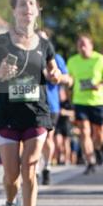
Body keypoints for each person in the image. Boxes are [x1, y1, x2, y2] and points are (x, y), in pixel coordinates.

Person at [0, 0, 63, 206]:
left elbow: (53, 70)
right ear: (14, 11)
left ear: (37, 11)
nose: (27, 7)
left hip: (37, 113)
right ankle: (9, 203)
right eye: (22, 4)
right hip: (6, 114)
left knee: (30, 168)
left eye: (31, 3)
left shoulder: (45, 44)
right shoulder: (1, 41)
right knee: (11, 175)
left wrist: (56, 76)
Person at [65, 34, 103, 174]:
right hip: (80, 102)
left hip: (98, 102)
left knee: (99, 135)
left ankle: (97, 148)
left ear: (91, 46)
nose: (82, 47)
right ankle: (91, 161)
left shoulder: (100, 59)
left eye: (85, 44)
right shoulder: (72, 61)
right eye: (80, 44)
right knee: (84, 132)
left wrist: (101, 84)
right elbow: (70, 79)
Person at [39, 31, 69, 184]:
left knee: (47, 138)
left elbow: (67, 79)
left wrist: (56, 76)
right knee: (32, 137)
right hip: (30, 104)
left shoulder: (56, 58)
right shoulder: (27, 57)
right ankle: (34, 167)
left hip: (51, 105)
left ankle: (47, 166)